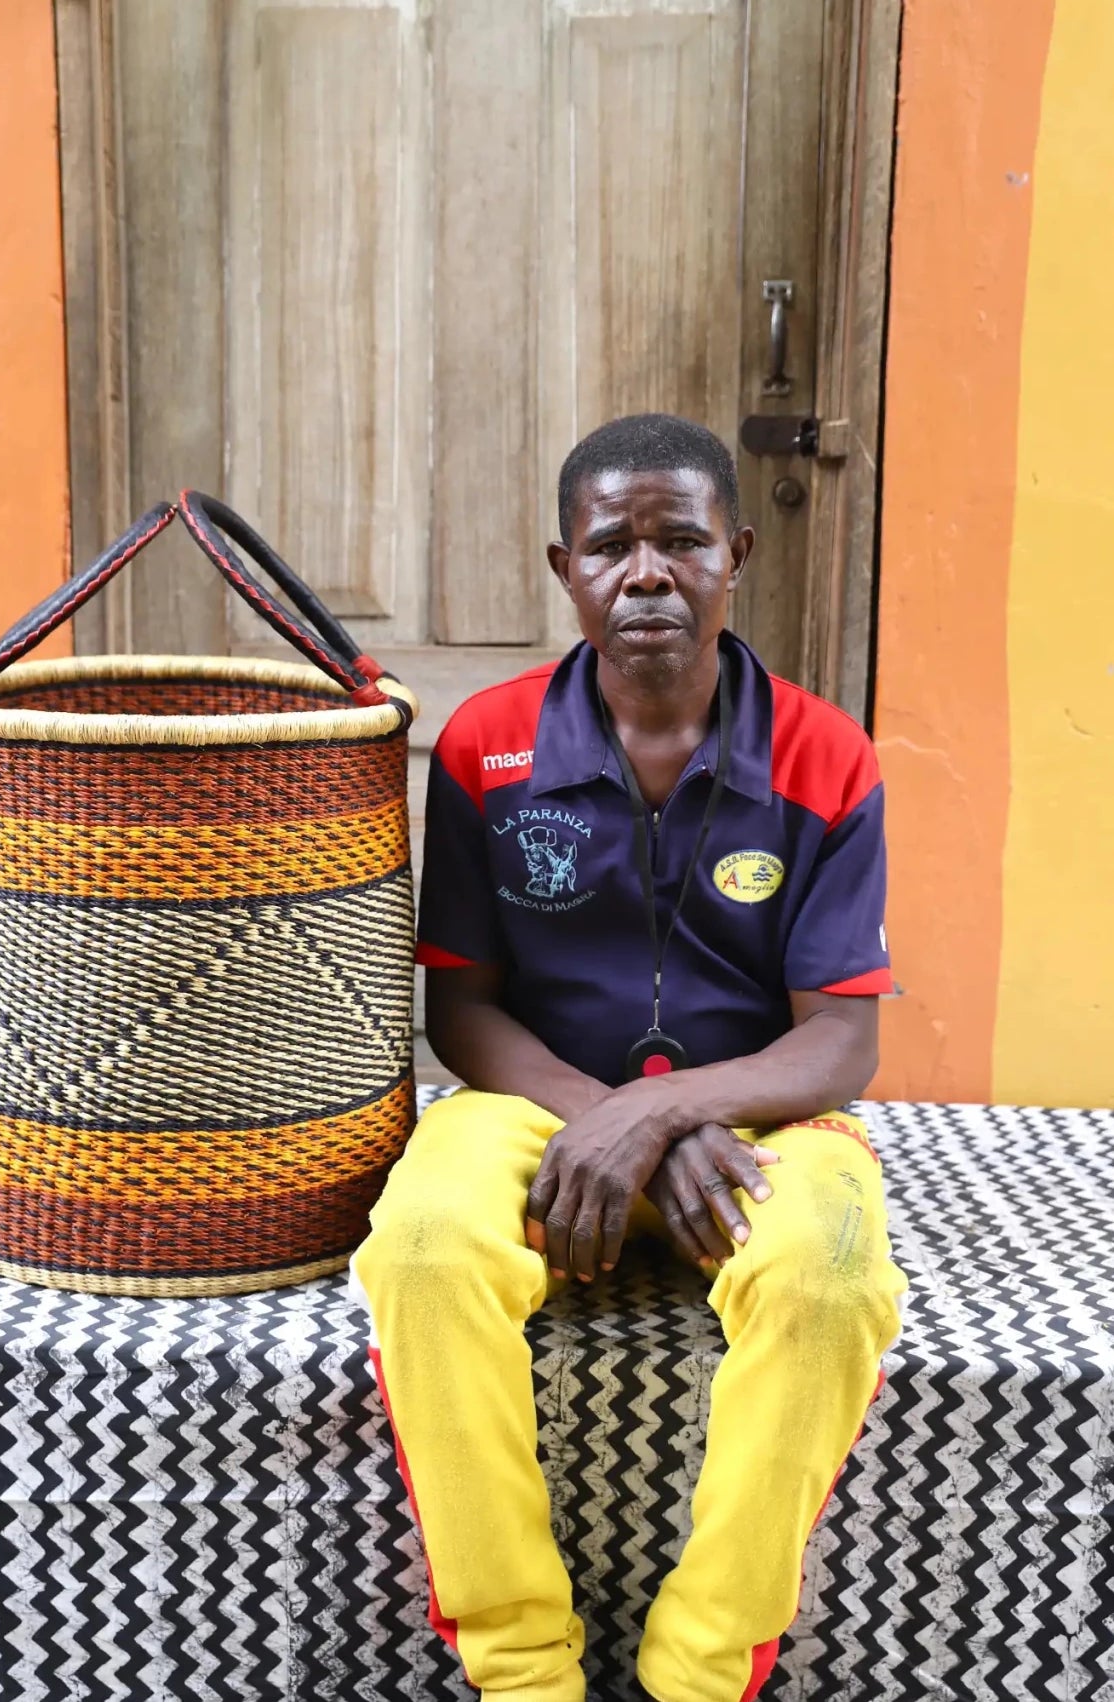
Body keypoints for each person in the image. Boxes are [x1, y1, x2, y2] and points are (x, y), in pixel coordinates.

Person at [351, 413, 908, 1702]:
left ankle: (702, 1670)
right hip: (537, 1100)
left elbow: (842, 1035)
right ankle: (524, 1667)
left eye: (680, 541)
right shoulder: (486, 745)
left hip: (759, 1119)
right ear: (565, 569)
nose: (646, 572)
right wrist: (612, 1116)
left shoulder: (825, 756)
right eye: (613, 545)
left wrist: (677, 1113)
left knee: (828, 1283)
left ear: (738, 554)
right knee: (425, 1248)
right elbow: (465, 1010)